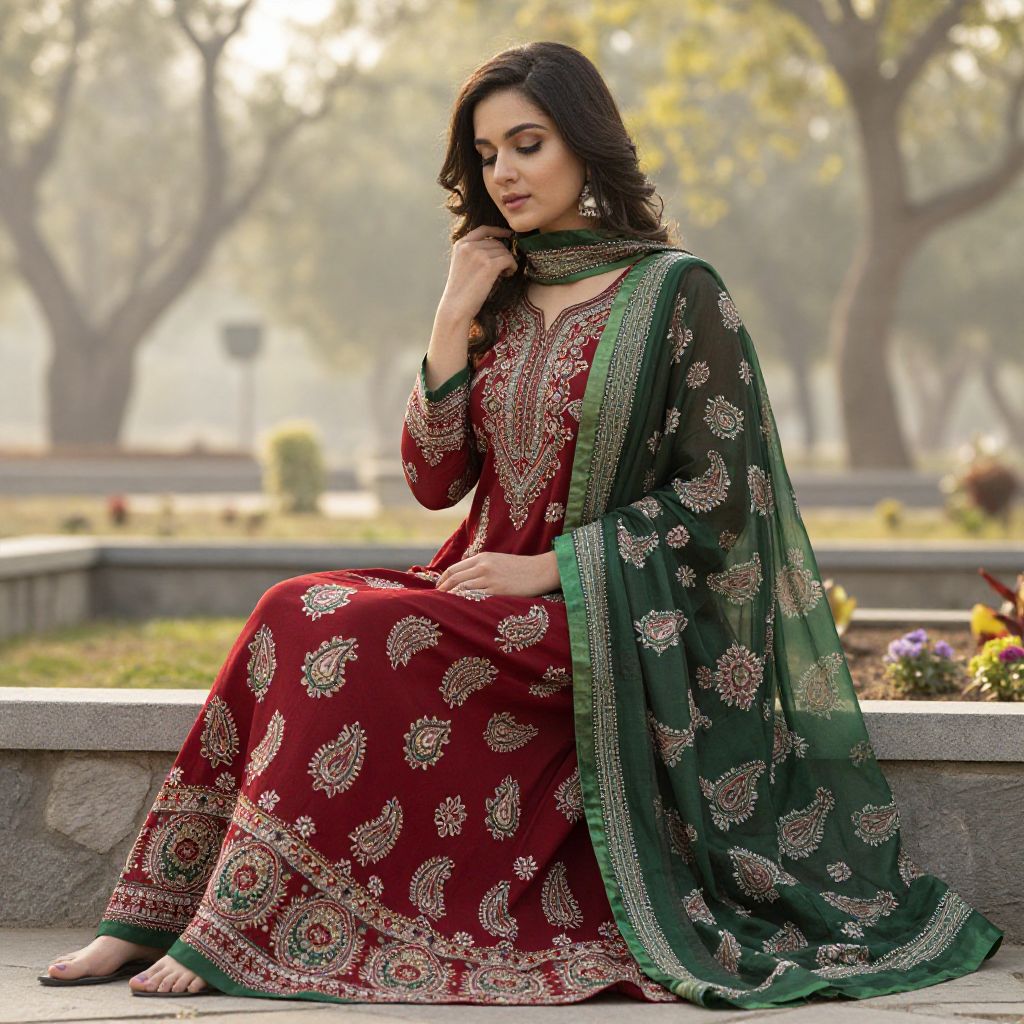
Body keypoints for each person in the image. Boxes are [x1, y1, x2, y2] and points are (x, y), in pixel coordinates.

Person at [39, 40, 1002, 1009]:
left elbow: (724, 492)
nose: (504, 172)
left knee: (366, 627)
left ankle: (237, 930)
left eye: (527, 144)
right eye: (487, 153)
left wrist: (553, 569)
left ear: (585, 145)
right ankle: (148, 916)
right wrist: (451, 313)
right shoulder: (494, 293)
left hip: (610, 621)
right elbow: (432, 477)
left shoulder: (676, 292)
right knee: (293, 606)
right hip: (476, 587)